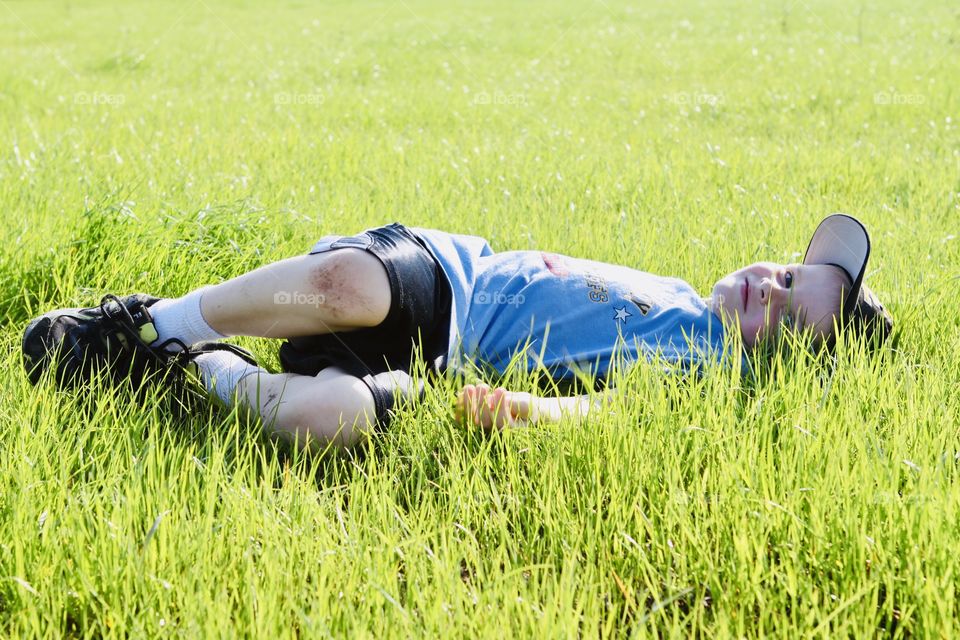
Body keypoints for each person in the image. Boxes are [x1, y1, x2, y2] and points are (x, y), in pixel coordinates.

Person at [22, 213, 893, 447]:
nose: (765, 294)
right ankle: (144, 326)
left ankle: (200, 365)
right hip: (442, 280)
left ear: (784, 367)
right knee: (347, 285)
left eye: (788, 318)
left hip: (433, 366)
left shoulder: (711, 376)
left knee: (332, 423)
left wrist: (524, 409)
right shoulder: (679, 291)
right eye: (783, 275)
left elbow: (613, 414)